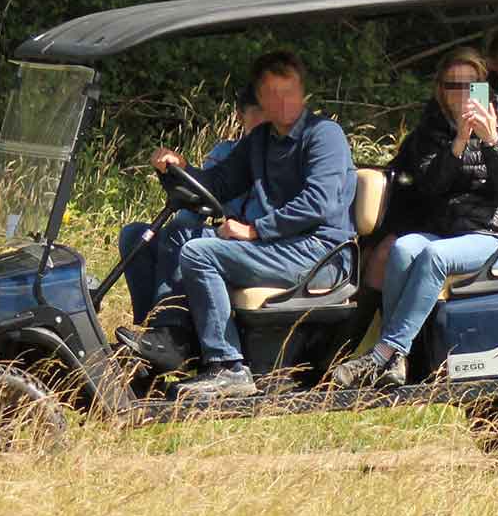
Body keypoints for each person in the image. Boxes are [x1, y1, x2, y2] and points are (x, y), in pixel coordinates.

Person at [133, 51, 357, 393]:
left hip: (320, 254)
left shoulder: (324, 135)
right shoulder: (261, 140)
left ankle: (228, 366)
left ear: (302, 94)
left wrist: (254, 230)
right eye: (273, 94)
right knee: (156, 236)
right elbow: (217, 184)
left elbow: (318, 203)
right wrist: (176, 169)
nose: (283, 102)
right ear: (261, 100)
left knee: (199, 253)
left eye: (290, 92)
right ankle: (169, 338)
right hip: (281, 248)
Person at [332, 48, 498, 388]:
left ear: (483, 87)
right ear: (441, 90)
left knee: (434, 256)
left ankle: (384, 353)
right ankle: (398, 363)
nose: (463, 94)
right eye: (453, 86)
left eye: (471, 85)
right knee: (404, 248)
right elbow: (430, 187)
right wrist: (460, 141)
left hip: (492, 236)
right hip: (446, 232)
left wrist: (490, 140)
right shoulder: (430, 131)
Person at [117, 84, 260, 326]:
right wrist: (173, 172)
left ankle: (168, 328)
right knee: (135, 235)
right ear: (240, 116)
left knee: (181, 232)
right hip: (221, 234)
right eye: (256, 116)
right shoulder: (224, 153)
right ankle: (146, 326)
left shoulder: (278, 160)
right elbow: (202, 194)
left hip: (251, 239)